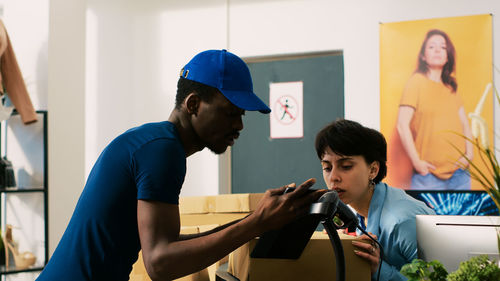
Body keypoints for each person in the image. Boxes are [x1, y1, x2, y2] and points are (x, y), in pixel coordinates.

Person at [36, 49, 325, 281]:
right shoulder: (163, 151)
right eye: (229, 113)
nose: (238, 125)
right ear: (193, 104)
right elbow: (160, 264)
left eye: (242, 115)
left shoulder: (153, 141)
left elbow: (169, 244)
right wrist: (256, 223)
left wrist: (259, 218)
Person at [315, 119, 435, 281]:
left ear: (373, 170)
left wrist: (378, 268)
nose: (333, 177)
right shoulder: (361, 212)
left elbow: (436, 278)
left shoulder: (401, 221)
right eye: (327, 168)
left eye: (346, 166)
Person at [397, 29, 473, 190]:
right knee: (426, 216)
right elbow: (402, 125)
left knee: (465, 216)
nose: (438, 50)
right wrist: (417, 163)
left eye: (443, 47)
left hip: (460, 174)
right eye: (432, 47)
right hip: (428, 176)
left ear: (447, 56)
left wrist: (469, 155)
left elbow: (465, 123)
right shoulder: (416, 82)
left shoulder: (451, 86)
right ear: (423, 56)